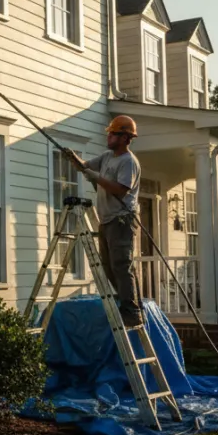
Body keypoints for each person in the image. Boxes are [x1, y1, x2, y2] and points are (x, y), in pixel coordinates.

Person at [70, 115, 143, 327]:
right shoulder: (107, 156)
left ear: (125, 138)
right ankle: (126, 302)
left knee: (122, 266)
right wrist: (73, 158)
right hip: (107, 220)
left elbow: (120, 190)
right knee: (108, 266)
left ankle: (132, 311)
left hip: (122, 220)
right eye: (109, 133)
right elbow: (85, 167)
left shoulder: (128, 161)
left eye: (113, 134)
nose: (109, 137)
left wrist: (96, 177)